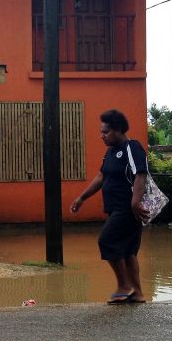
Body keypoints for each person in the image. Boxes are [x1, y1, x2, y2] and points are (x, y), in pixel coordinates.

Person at [70, 109, 150, 304]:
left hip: (128, 209)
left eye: (105, 132)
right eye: (101, 132)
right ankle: (137, 293)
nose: (102, 136)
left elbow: (141, 173)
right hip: (116, 209)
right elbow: (101, 176)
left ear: (118, 130)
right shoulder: (110, 152)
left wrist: (135, 201)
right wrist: (82, 198)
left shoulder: (132, 147)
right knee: (128, 251)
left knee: (106, 240)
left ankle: (124, 286)